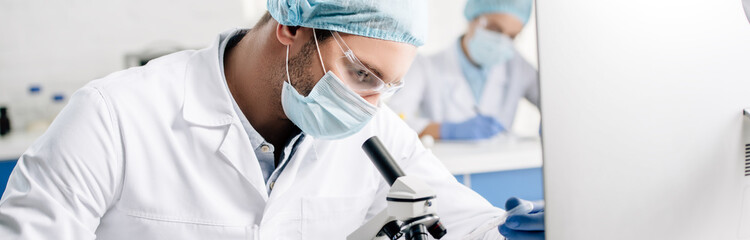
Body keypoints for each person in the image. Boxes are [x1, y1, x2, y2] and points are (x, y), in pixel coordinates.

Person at [0, 0, 544, 239]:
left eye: (388, 86)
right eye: (361, 74)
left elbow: (461, 221)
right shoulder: (112, 118)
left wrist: (515, 230)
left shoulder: (372, 131)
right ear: (292, 25)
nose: (371, 106)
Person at [388, 0, 540, 141]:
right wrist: (447, 130)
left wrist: (553, 125)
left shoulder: (518, 68)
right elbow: (393, 122)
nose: (502, 41)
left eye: (512, 37)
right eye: (494, 29)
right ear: (472, 18)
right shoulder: (426, 67)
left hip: (505, 166)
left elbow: (556, 102)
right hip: (446, 165)